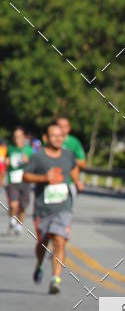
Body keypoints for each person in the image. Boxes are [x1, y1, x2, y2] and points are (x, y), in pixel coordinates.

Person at [23, 121, 79, 294]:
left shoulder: (68, 155)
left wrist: (77, 182)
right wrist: (44, 178)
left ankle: (56, 279)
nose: (57, 138)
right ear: (46, 137)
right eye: (53, 135)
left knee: (60, 241)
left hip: (64, 206)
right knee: (43, 243)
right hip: (42, 209)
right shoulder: (38, 157)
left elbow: (74, 170)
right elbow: (25, 176)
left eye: (60, 136)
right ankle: (40, 264)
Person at [5, 127, 34, 235]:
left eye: (19, 137)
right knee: (13, 204)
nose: (17, 139)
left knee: (22, 206)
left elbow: (34, 166)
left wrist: (28, 162)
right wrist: (7, 162)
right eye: (15, 137)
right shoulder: (10, 149)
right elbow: (6, 162)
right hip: (13, 180)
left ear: (24, 138)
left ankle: (19, 224)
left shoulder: (29, 150)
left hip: (25, 181)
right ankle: (12, 218)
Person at [57, 116, 85, 202]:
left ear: (69, 128)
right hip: (51, 182)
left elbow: (82, 163)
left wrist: (66, 159)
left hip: (69, 182)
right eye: (59, 126)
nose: (62, 129)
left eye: (64, 126)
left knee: (66, 213)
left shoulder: (74, 142)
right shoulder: (48, 142)